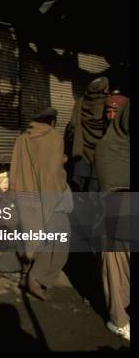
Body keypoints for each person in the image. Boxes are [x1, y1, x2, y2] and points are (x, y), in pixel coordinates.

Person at [10, 108, 73, 301]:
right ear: (52, 121)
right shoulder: (54, 137)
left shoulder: (22, 138)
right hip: (48, 195)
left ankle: (28, 273)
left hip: (24, 195)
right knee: (61, 237)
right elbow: (53, 174)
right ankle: (36, 278)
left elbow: (14, 168)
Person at [94, 94, 131, 342]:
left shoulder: (111, 143)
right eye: (108, 110)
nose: (110, 115)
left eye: (116, 111)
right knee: (118, 265)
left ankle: (120, 319)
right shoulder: (109, 143)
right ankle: (120, 319)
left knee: (118, 266)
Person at [65, 76, 109, 192]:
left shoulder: (80, 102)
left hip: (82, 149)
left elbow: (73, 125)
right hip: (100, 150)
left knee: (80, 189)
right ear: (104, 89)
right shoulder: (108, 104)